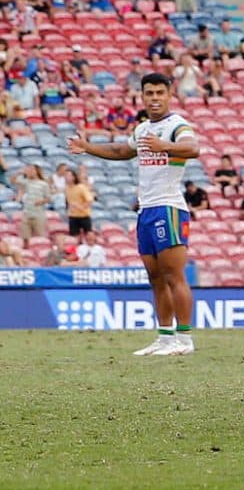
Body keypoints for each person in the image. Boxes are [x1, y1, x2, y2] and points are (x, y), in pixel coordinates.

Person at [67, 73, 199, 357]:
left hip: (169, 207)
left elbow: (193, 148)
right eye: (149, 93)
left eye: (159, 93)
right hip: (146, 209)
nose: (154, 98)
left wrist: (166, 146)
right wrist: (88, 147)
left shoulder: (177, 125)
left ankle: (185, 339)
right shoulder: (141, 130)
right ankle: (165, 337)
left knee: (173, 274)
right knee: (154, 277)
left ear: (169, 95)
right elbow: (121, 150)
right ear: (141, 96)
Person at [13, 164, 50, 246]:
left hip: (39, 214)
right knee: (25, 238)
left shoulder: (43, 184)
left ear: (36, 171)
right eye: (29, 170)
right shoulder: (26, 182)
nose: (30, 171)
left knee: (41, 236)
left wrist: (41, 201)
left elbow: (48, 198)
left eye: (32, 170)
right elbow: (13, 180)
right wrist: (19, 173)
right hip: (27, 213)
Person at [65, 170, 94, 241]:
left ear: (73, 177)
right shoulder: (66, 188)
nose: (66, 177)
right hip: (73, 217)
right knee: (74, 238)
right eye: (65, 175)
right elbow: (68, 201)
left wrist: (80, 207)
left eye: (68, 175)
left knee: (89, 236)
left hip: (84, 216)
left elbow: (90, 200)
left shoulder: (81, 187)